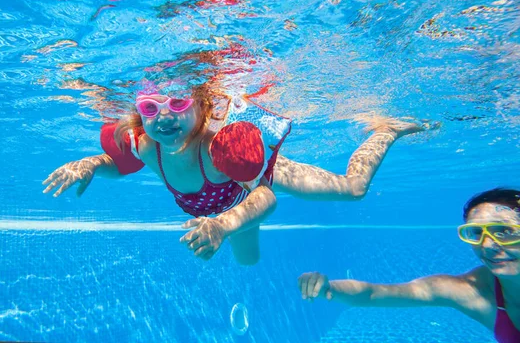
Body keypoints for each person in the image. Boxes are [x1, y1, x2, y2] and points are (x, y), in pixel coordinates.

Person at [43, 82, 426, 265]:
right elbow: (120, 167)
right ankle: (228, 230)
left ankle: (386, 130)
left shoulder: (213, 149)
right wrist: (91, 164)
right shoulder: (147, 147)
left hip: (253, 184)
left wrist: (223, 226)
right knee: (249, 262)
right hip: (220, 213)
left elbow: (265, 196)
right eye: (150, 107)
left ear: (203, 106)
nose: (164, 117)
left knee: (354, 188)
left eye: (178, 103)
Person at [298, 188, 520, 343]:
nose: (489, 245)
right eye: (476, 233)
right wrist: (329, 289)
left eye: (505, 231)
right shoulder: (474, 292)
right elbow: (374, 294)